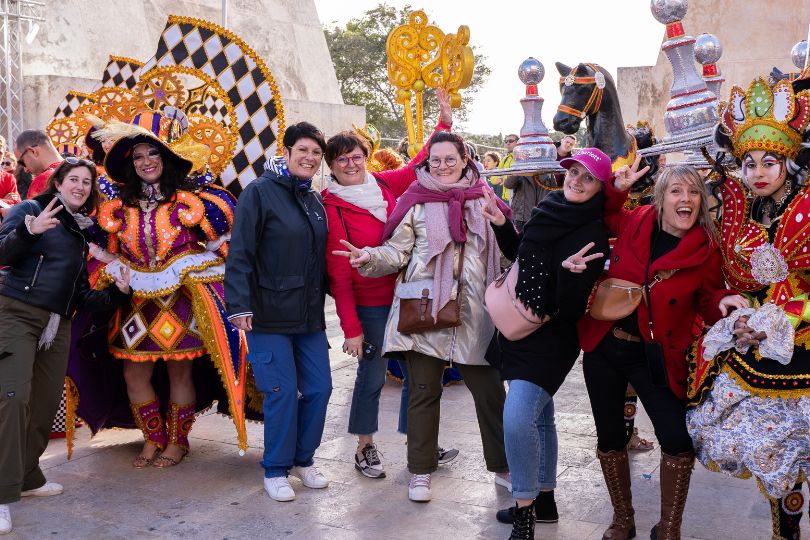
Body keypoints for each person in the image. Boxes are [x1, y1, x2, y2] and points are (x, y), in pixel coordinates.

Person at [335, 131, 513, 502]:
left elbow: (509, 255)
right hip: (424, 310)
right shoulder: (414, 202)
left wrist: (501, 226)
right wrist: (369, 258)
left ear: (465, 159)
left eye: (451, 159)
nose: (443, 167)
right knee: (422, 391)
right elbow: (396, 252)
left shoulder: (486, 200)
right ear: (426, 163)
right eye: (436, 160)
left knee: (491, 393)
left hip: (475, 315)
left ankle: (502, 466)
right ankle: (419, 472)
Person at [577, 160, 747, 540]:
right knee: (609, 436)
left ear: (701, 203)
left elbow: (708, 295)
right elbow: (606, 212)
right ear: (661, 198)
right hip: (604, 343)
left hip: (654, 354)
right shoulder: (636, 220)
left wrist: (723, 302)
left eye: (692, 193)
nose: (685, 199)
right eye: (675, 191)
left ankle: (669, 528)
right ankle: (623, 520)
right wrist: (617, 187)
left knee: (676, 439)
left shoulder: (705, 248)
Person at [85, 110, 247, 469]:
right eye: (139, 156)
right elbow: (101, 251)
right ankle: (152, 437)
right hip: (135, 302)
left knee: (179, 370)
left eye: (153, 153)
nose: (146, 162)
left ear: (168, 156)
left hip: (182, 299)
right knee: (133, 372)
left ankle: (178, 441)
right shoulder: (115, 205)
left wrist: (198, 266)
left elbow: (226, 247)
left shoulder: (200, 200)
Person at [687, 76, 810, 540]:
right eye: (749, 163)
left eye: (769, 161)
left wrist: (785, 316)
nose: (758, 172)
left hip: (800, 344)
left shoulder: (807, 208)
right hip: (763, 345)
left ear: (788, 162)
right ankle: (785, 532)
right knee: (777, 460)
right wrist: (746, 316)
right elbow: (755, 284)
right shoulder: (752, 212)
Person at [323, 90, 453, 479]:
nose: (351, 163)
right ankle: (365, 447)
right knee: (373, 375)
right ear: (331, 165)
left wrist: (443, 123)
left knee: (418, 373)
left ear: (366, 157)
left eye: (356, 156)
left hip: (404, 296)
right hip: (370, 304)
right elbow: (340, 276)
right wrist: (352, 330)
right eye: (342, 158)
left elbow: (418, 164)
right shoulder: (332, 207)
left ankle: (420, 441)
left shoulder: (381, 185)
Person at [483, 148, 611, 539]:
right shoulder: (550, 208)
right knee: (541, 417)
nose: (575, 180)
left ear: (600, 187)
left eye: (587, 177)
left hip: (553, 337)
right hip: (520, 323)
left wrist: (572, 276)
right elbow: (522, 257)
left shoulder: (593, 233)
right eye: (573, 171)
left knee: (518, 416)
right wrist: (504, 224)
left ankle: (524, 508)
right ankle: (545, 499)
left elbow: (572, 309)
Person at [0, 159, 132, 535]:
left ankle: (27, 476)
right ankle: (2, 492)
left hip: (57, 323)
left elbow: (81, 294)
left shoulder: (79, 229)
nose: (80, 186)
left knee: (43, 404)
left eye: (86, 182)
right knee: (11, 399)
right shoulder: (29, 210)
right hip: (17, 314)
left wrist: (120, 294)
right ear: (57, 182)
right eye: (73, 179)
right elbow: (3, 254)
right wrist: (29, 230)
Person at [225, 122, 332, 503]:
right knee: (281, 391)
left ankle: (304, 459)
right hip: (267, 313)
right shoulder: (259, 193)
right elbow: (240, 254)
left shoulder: (313, 199)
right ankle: (275, 468)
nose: (309, 158)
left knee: (320, 388)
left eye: (316, 153)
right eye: (303, 150)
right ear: (285, 153)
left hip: (308, 316)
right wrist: (238, 305)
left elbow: (321, 260)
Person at [14, 131, 63, 198]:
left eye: (22, 162)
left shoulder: (44, 180)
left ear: (33, 151)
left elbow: (32, 208)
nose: (26, 170)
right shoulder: (77, 170)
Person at [492, 134, 518, 202]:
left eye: (511, 141)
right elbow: (493, 178)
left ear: (518, 143)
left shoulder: (521, 158)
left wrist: (505, 179)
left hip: (518, 199)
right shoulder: (505, 159)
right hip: (506, 199)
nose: (508, 143)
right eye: (506, 141)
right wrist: (499, 179)